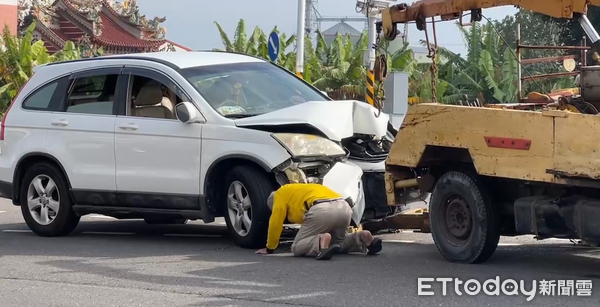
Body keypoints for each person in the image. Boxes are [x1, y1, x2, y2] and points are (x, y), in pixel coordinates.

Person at [255, 183, 383, 260]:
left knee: (296, 247)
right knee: (338, 242)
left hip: (321, 209)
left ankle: (321, 239)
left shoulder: (279, 195)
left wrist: (270, 248)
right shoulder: (303, 188)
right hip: (343, 207)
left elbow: (276, 221)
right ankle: (363, 238)